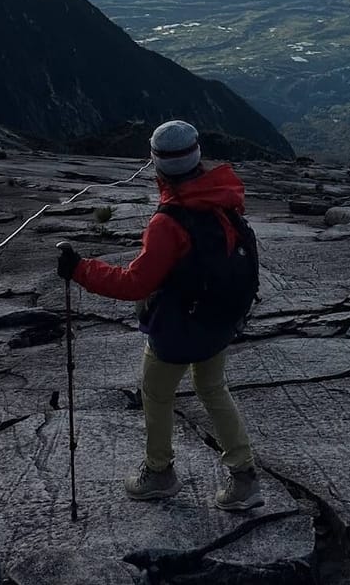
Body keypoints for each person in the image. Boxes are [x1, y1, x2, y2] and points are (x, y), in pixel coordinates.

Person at [56, 120, 262, 511]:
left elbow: (135, 283)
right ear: (197, 156)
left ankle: (159, 473)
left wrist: (80, 269)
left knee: (155, 392)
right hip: (220, 318)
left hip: (180, 327)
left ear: (156, 163)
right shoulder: (222, 194)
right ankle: (244, 476)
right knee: (213, 388)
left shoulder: (168, 222)